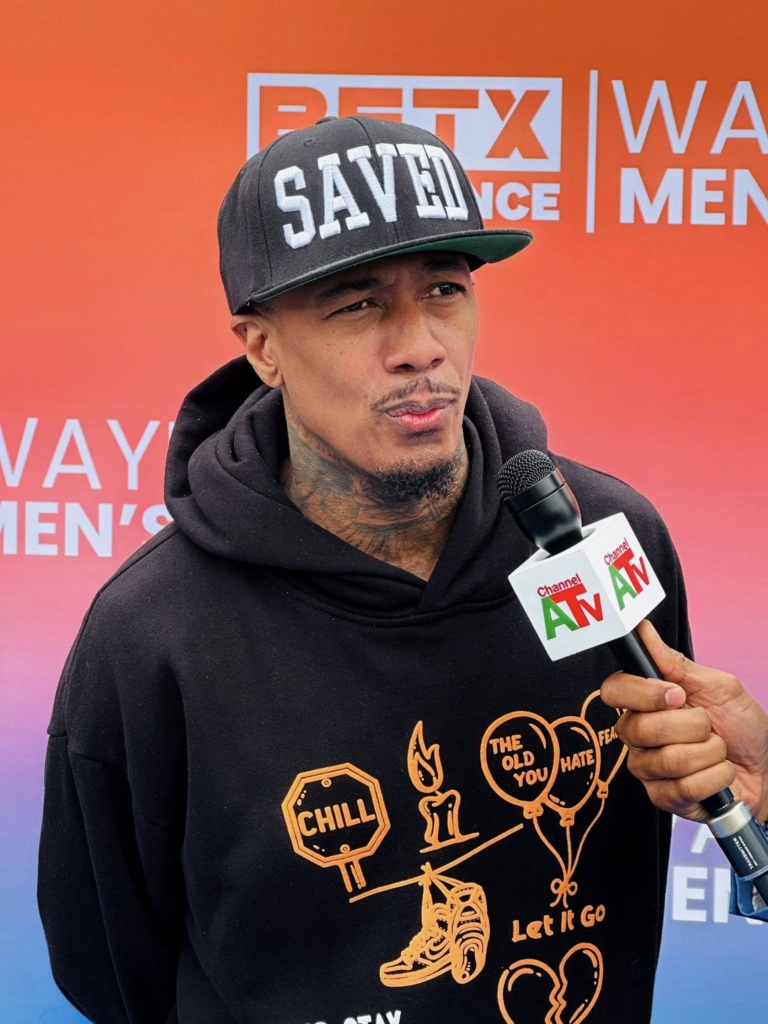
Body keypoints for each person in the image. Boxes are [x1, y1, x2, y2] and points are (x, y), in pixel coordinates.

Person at [38, 115, 768, 1024]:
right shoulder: (153, 632)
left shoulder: (604, 534)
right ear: (262, 349)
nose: (421, 344)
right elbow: (110, 968)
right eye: (359, 304)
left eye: (445, 290)